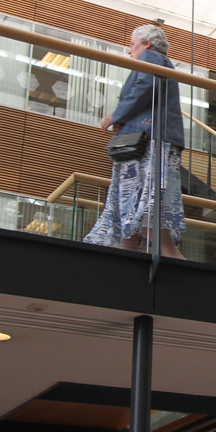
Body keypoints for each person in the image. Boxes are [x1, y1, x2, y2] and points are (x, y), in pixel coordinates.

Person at [85, 24, 186, 258]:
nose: (129, 50)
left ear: (147, 43)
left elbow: (145, 85)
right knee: (132, 212)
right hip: (149, 139)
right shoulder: (162, 62)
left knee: (142, 207)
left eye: (132, 44)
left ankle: (174, 260)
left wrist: (116, 115)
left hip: (148, 142)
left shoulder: (151, 57)